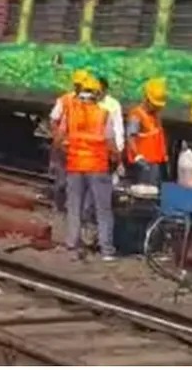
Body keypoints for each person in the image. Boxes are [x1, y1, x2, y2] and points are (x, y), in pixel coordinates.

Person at [60, 76, 119, 261]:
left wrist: (67, 153)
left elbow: (60, 137)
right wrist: (118, 160)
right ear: (97, 94)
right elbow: (110, 142)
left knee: (74, 206)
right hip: (97, 166)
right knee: (103, 210)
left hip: (75, 165)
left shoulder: (70, 113)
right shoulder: (104, 114)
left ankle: (72, 244)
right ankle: (106, 250)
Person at [48, 69, 90, 212]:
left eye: (82, 85)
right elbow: (54, 120)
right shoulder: (65, 100)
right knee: (62, 182)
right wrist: (58, 139)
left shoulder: (90, 103)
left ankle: (74, 208)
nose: (79, 88)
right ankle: (59, 206)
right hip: (65, 147)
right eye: (78, 85)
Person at [125, 78, 168, 186]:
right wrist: (137, 156)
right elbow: (130, 137)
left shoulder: (154, 116)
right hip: (143, 165)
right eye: (155, 105)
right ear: (147, 100)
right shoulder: (137, 115)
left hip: (154, 163)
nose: (157, 108)